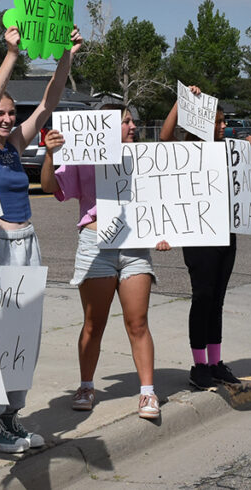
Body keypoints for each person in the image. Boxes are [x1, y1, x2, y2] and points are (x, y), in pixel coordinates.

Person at [0, 25, 83, 453]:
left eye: (11, 114)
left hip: (27, 244)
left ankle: (12, 416)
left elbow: (49, 101)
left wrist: (65, 55)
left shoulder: (14, 144)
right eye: (0, 114)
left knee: (23, 335)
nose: (7, 118)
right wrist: (11, 56)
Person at [40, 105, 167, 419]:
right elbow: (48, 187)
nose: (133, 126)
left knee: (137, 322)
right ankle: (86, 385)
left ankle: (148, 392)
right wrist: (50, 154)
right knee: (94, 324)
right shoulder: (82, 158)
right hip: (96, 245)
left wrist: (164, 231)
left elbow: (161, 200)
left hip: (135, 247)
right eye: (125, 121)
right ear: (107, 127)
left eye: (132, 120)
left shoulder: (142, 160)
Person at [159, 85, 251, 390]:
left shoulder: (228, 149)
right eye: (217, 122)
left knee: (217, 300)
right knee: (201, 297)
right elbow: (164, 138)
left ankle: (216, 363)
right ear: (203, 124)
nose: (223, 126)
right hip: (198, 234)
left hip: (226, 234)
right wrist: (182, 102)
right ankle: (199, 364)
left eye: (224, 121)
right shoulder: (189, 151)